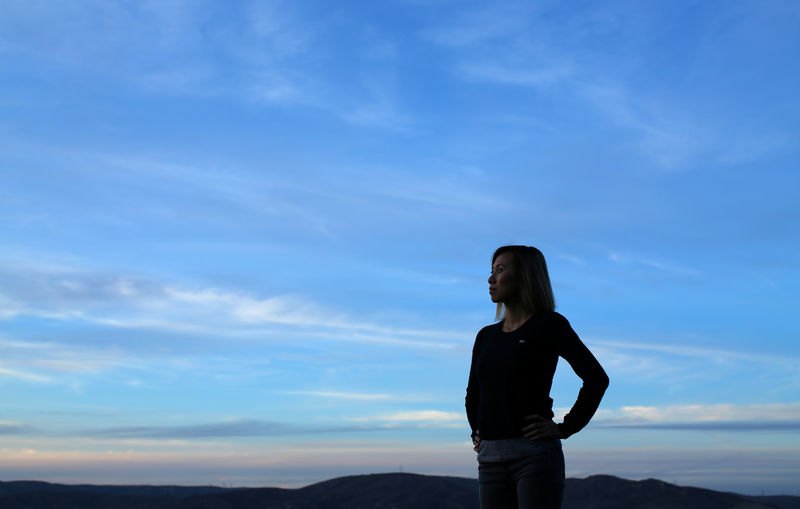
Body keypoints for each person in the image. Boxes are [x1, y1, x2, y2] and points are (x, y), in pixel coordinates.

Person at [466, 245, 609, 509]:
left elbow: (596, 378)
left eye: (500, 270)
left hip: (534, 456)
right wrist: (476, 430)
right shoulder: (486, 336)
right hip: (489, 459)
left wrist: (565, 428)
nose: (491, 279)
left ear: (525, 277)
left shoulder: (550, 325)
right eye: (491, 271)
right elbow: (474, 391)